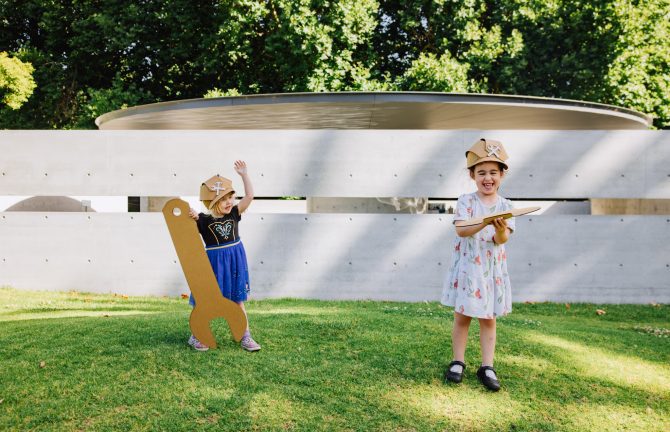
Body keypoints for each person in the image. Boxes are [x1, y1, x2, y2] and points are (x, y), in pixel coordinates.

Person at [441, 138, 515, 391]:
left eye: (493, 172)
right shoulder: (465, 201)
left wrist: (501, 228)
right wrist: (485, 220)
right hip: (468, 269)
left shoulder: (505, 206)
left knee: (488, 319)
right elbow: (462, 231)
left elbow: (500, 239)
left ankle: (487, 366)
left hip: (490, 270)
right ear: (472, 175)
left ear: (502, 175)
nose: (488, 178)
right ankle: (457, 361)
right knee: (462, 316)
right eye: (481, 172)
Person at [186, 160, 261, 352]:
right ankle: (196, 335)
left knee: (237, 299)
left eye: (231, 197)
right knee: (205, 299)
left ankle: (245, 336)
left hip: (235, 261)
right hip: (213, 265)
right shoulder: (203, 220)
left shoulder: (235, 213)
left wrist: (244, 175)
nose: (229, 202)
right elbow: (186, 224)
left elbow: (250, 196)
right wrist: (191, 215)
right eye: (224, 199)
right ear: (213, 202)